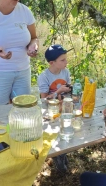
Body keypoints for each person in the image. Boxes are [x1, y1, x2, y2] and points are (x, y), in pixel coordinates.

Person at [37, 44, 71, 173]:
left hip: (64, 107)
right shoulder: (44, 76)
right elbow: (44, 100)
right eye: (62, 60)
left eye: (65, 59)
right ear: (52, 62)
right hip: (50, 111)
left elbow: (68, 90)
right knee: (54, 132)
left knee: (66, 129)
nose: (66, 62)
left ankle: (63, 153)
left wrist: (69, 91)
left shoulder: (65, 72)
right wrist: (59, 91)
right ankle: (58, 156)